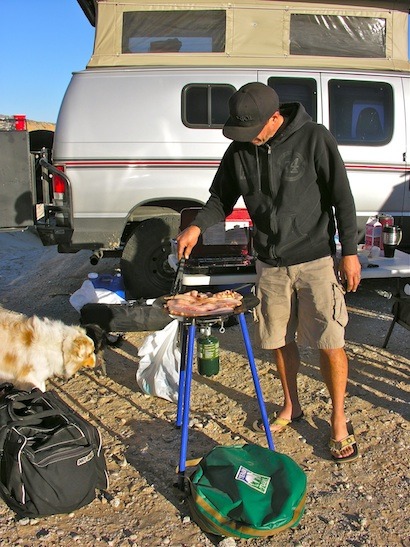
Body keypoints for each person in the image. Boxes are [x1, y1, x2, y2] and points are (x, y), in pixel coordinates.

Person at [177, 82, 361, 464]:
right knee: (278, 339)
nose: (247, 139)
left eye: (253, 130)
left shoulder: (314, 139)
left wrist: (350, 253)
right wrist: (196, 226)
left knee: (329, 340)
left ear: (275, 118)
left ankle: (338, 418)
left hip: (314, 259)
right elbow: (219, 199)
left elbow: (342, 197)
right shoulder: (240, 149)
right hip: (270, 264)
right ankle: (291, 405)